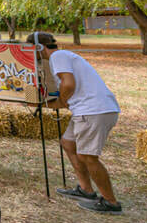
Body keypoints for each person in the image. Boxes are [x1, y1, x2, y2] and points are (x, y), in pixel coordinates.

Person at [28, 32, 122, 213]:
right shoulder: (64, 56)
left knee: (88, 156)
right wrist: (46, 103)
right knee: (68, 143)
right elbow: (66, 94)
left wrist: (62, 100)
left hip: (93, 111)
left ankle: (111, 202)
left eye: (31, 50)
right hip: (90, 110)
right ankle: (86, 190)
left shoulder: (57, 56)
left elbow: (68, 85)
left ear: (39, 47)